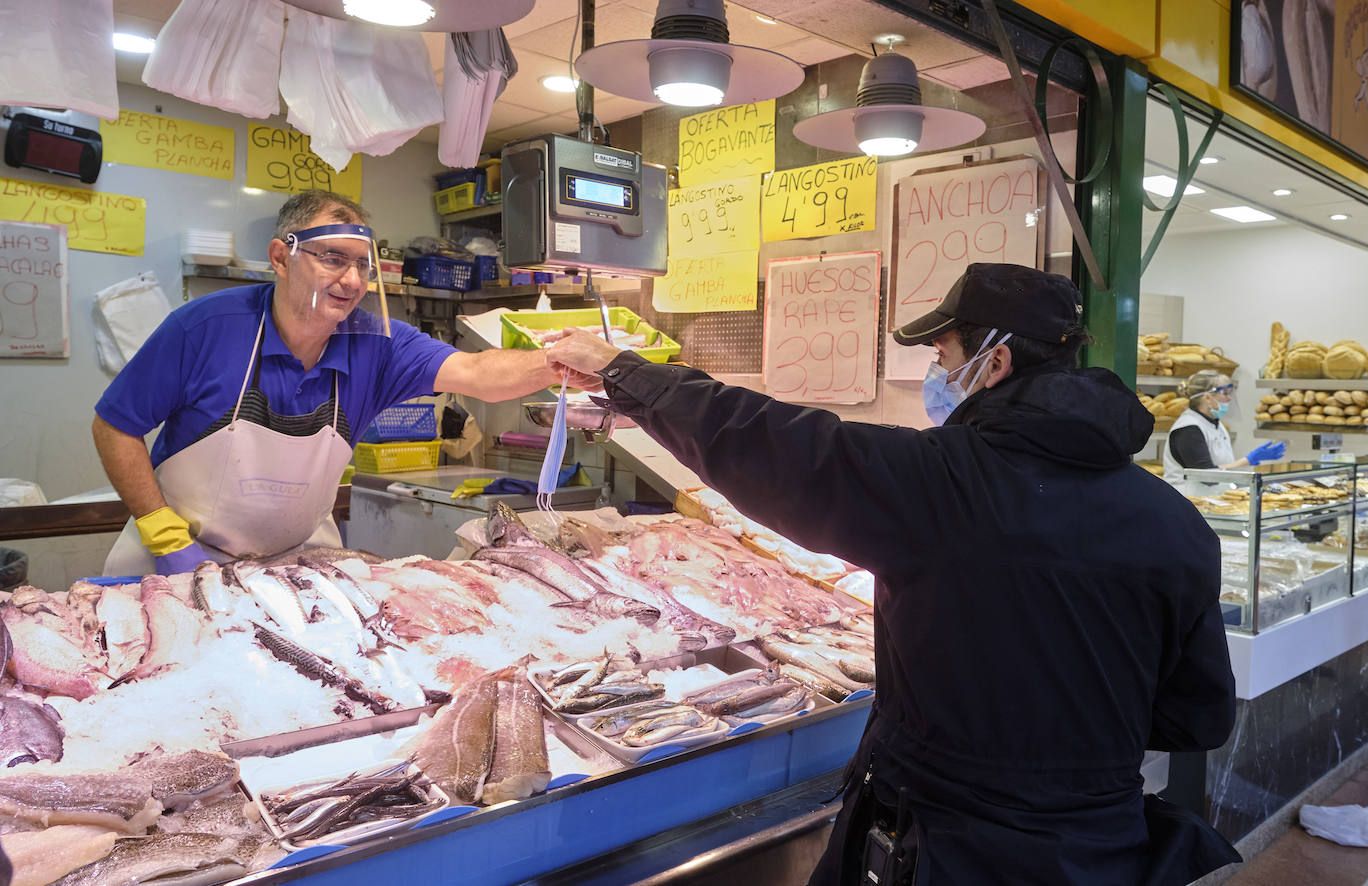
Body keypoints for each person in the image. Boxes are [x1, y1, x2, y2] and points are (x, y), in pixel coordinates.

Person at [547, 263, 1240, 886]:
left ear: (994, 363)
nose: (936, 369)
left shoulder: (943, 485)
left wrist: (622, 370)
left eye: (943, 352)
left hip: (947, 848)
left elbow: (768, 443)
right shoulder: (1176, 523)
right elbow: (1195, 716)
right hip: (1100, 848)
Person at [93, 189, 585, 576]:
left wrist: (560, 362)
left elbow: (479, 375)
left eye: (362, 264)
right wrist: (163, 534)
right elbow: (114, 426)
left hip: (298, 564)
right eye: (332, 258)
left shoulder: (378, 341)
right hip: (178, 561)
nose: (352, 280)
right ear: (281, 258)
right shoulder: (204, 327)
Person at [1162, 369, 1286, 488]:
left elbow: (1220, 469)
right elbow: (1206, 476)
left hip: (1210, 498)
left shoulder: (1215, 424)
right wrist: (1247, 460)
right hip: (1187, 499)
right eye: (1225, 393)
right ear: (1207, 398)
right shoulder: (1188, 429)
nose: (1229, 398)